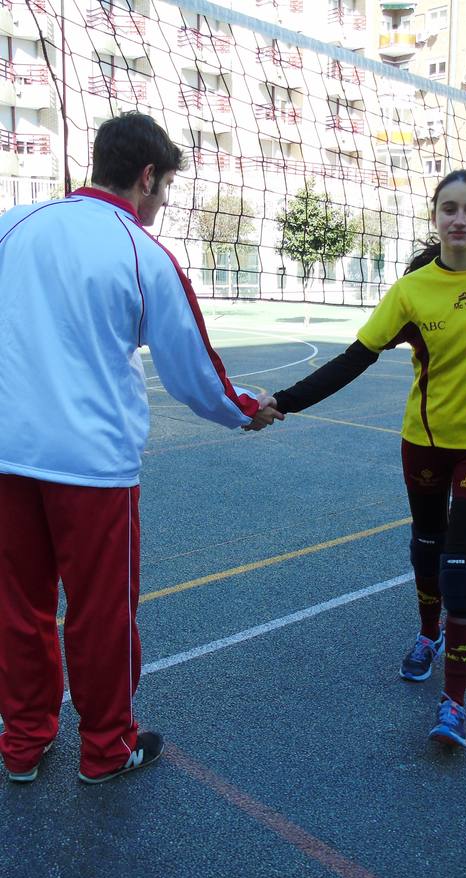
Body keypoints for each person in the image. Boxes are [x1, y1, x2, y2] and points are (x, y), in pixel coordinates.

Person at [0, 113, 282, 785]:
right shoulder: (141, 252)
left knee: (18, 605)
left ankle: (22, 743)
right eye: (164, 189)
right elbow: (191, 371)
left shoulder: (11, 224)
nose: (161, 205)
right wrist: (246, 409)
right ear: (146, 177)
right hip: (92, 468)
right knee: (100, 612)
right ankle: (105, 749)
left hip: (7, 455)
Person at [265, 171, 466, 749]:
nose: (459, 219)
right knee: (426, 546)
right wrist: (283, 402)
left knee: (462, 566)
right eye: (449, 209)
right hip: (424, 440)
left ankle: (455, 703)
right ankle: (427, 633)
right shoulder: (413, 289)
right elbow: (353, 359)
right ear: (435, 217)